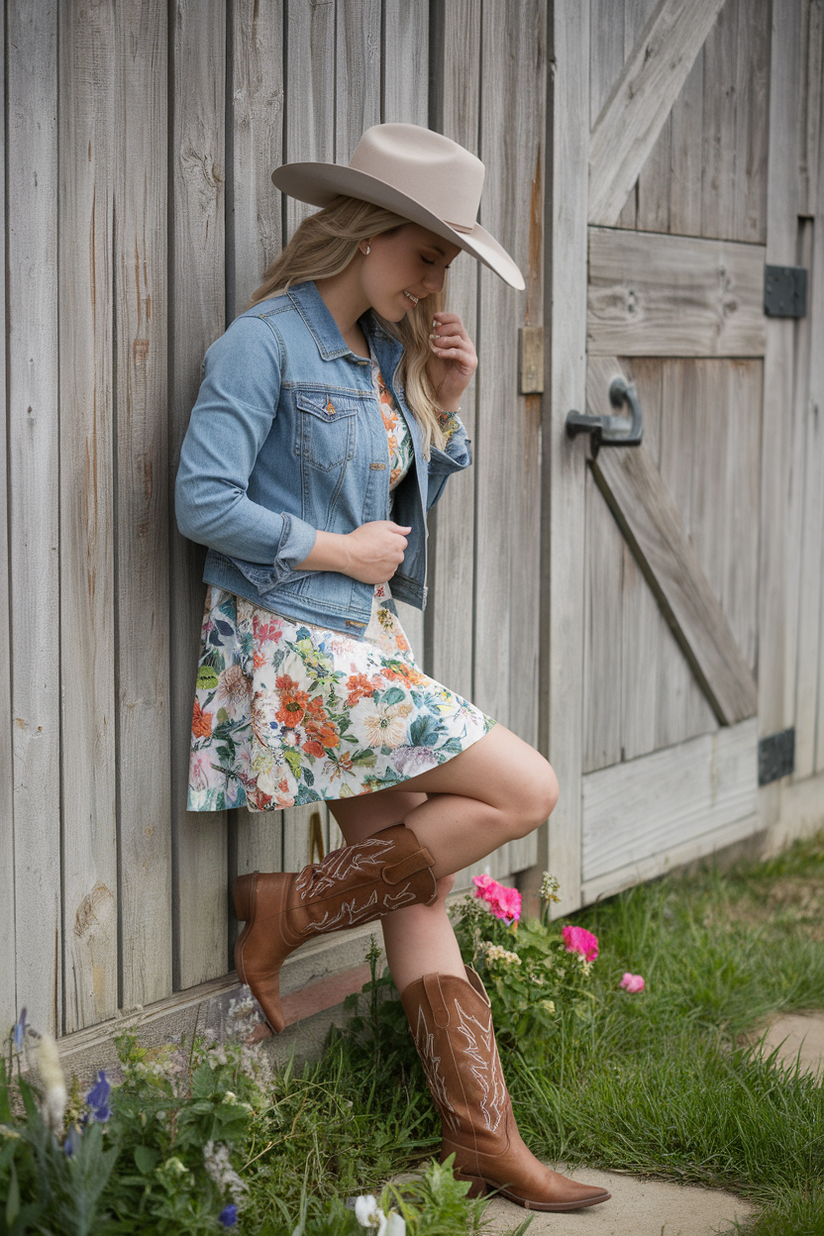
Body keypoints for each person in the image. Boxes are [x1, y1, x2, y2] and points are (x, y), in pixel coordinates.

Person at [175, 124, 610, 1213]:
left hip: (358, 642)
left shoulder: (376, 353)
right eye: (425, 257)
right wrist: (335, 553)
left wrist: (445, 417)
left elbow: (391, 524)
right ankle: (285, 908)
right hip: (295, 650)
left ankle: (484, 1144)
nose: (431, 286)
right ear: (367, 236)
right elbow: (200, 501)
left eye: (444, 267)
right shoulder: (261, 344)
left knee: (421, 888)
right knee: (526, 787)